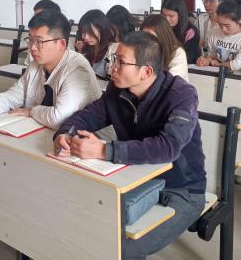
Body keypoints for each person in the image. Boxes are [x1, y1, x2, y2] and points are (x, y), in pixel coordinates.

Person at [0, 10, 102, 257]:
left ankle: (16, 243)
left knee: (15, 180)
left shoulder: (77, 69)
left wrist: (32, 110)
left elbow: (60, 117)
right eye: (30, 40)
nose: (32, 48)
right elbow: (12, 97)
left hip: (76, 152)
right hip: (39, 140)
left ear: (61, 43)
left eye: (39, 41)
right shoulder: (36, 65)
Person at [53, 31, 206, 260]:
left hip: (180, 189)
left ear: (146, 71)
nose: (112, 68)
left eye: (120, 62)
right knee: (78, 220)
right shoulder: (117, 90)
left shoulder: (181, 94)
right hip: (131, 178)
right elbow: (89, 115)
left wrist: (104, 150)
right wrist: (66, 133)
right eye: (113, 60)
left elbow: (168, 148)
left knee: (118, 248)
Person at [197, 0, 241, 73]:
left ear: (239, 20)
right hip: (216, 76)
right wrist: (206, 61)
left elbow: (237, 64)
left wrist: (218, 65)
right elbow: (211, 57)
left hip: (239, 77)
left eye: (227, 25)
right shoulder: (214, 32)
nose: (223, 29)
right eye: (220, 24)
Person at [140, 14, 189, 80]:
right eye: (144, 35)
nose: (146, 40)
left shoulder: (177, 53)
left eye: (151, 36)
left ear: (163, 35)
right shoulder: (141, 50)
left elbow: (170, 81)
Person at [75, 9, 119, 79]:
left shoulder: (113, 50)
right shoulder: (86, 49)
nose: (85, 36)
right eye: (83, 32)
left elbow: (111, 80)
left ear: (101, 29)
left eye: (89, 32)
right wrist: (79, 53)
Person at [161, 0, 200, 64]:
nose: (167, 19)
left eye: (171, 16)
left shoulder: (190, 32)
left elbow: (188, 57)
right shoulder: (160, 28)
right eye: (164, 15)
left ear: (180, 15)